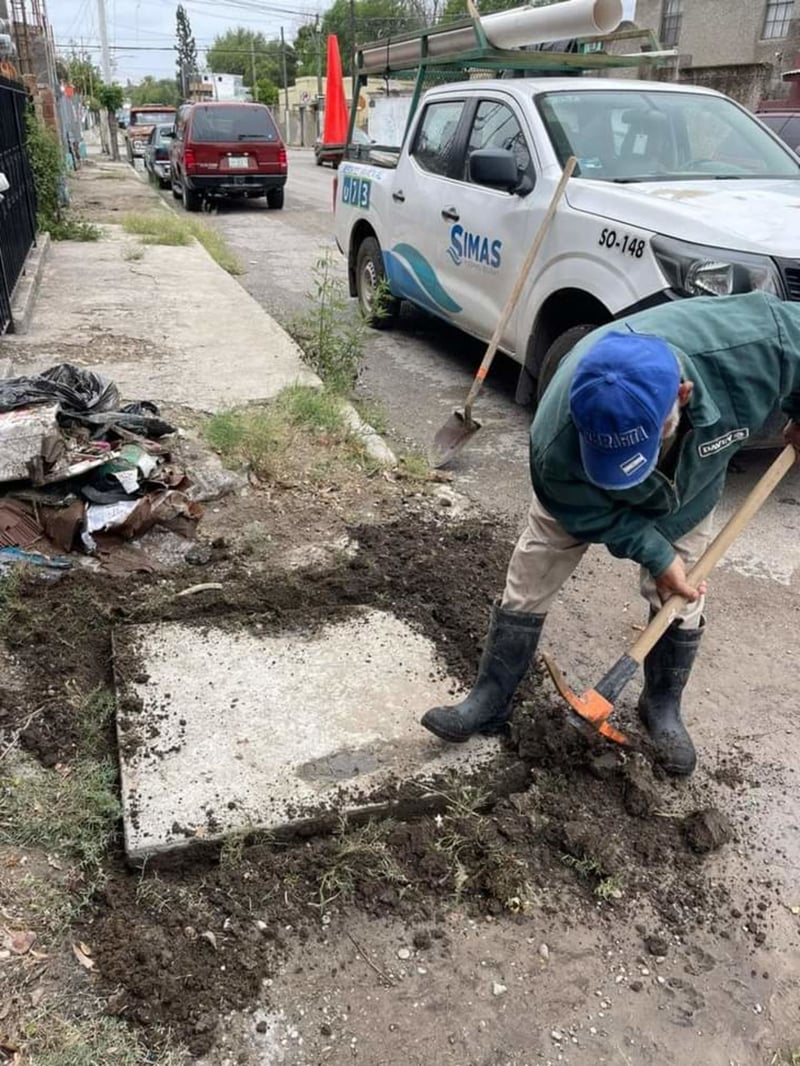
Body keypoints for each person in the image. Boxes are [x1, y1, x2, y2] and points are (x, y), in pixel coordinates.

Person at [422, 291, 800, 776]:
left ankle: (661, 707)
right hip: (577, 492)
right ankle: (490, 697)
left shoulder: (759, 342)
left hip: (687, 489)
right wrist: (652, 553)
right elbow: (589, 514)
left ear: (681, 395)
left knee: (680, 596)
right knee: (536, 564)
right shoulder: (557, 436)